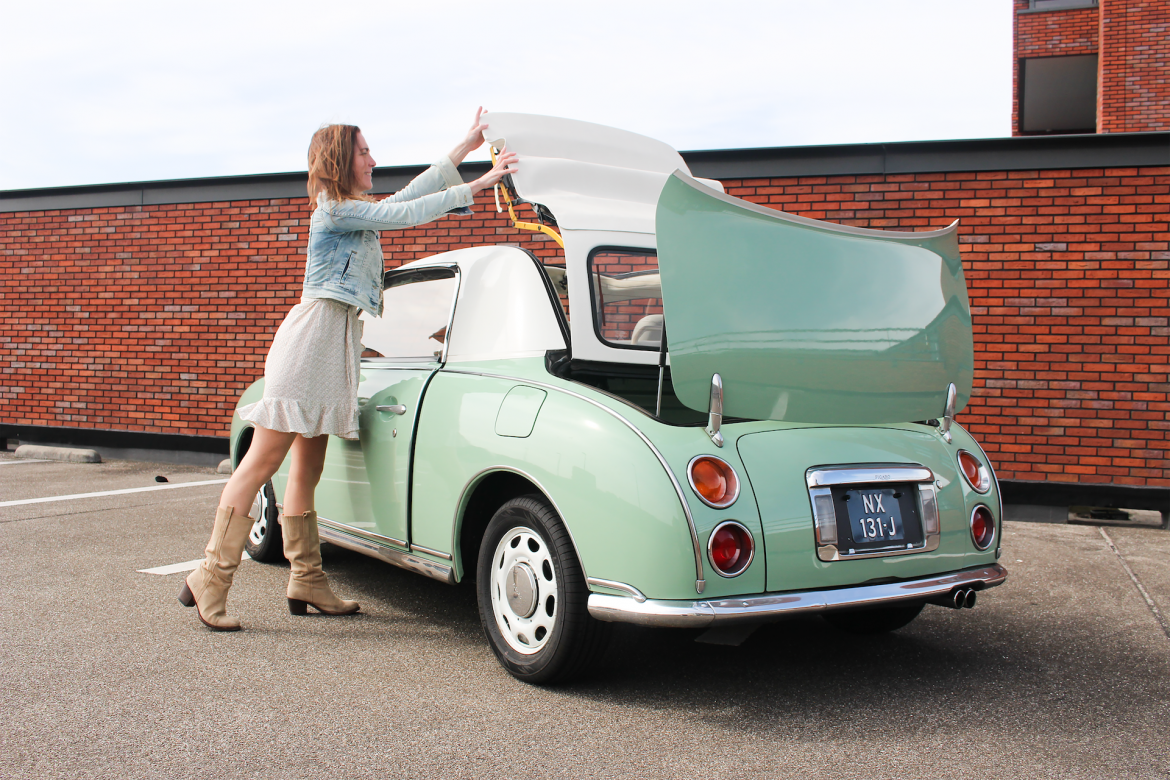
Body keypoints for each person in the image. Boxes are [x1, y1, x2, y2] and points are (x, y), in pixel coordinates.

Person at [179, 108, 518, 631]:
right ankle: (210, 577)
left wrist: (468, 145)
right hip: (311, 340)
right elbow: (403, 216)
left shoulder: (354, 211)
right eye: (364, 152)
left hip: (337, 343)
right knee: (262, 461)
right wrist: (483, 184)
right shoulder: (334, 212)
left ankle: (307, 578)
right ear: (341, 159)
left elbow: (407, 197)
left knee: (308, 466)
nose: (373, 160)